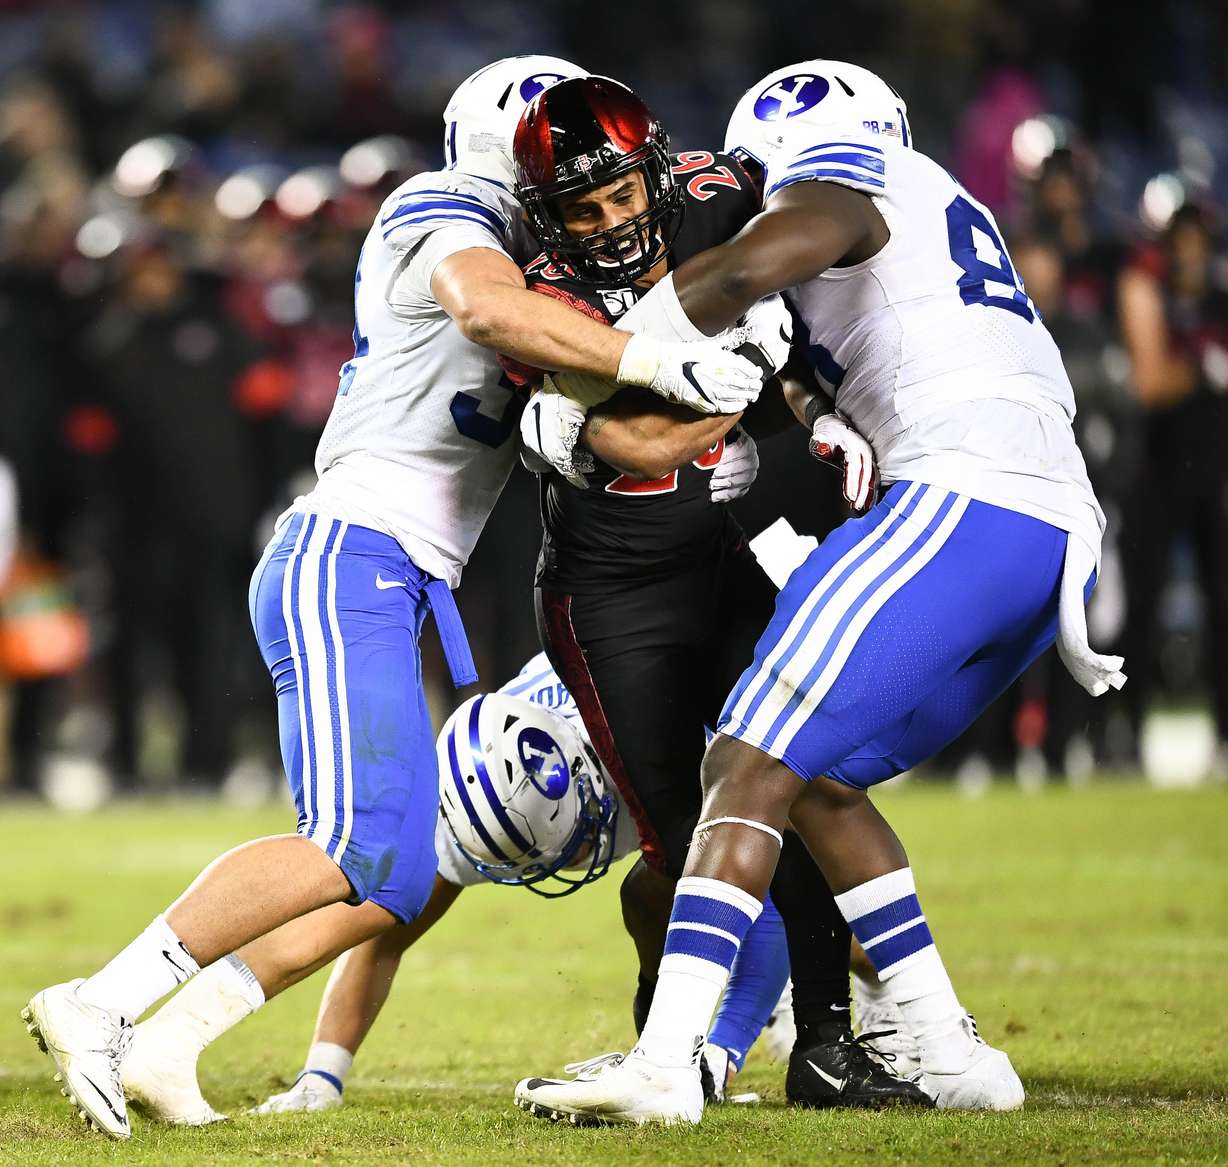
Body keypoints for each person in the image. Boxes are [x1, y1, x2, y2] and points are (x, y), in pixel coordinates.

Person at [21, 56, 770, 1141]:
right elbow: (485, 309)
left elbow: (608, 423)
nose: (567, 170)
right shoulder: (448, 210)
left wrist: (739, 385)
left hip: (388, 569)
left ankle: (169, 1040)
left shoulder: (543, 271)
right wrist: (658, 357)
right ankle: (102, 1006)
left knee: (391, 863)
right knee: (351, 844)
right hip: (351, 552)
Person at [515, 59, 1124, 1125]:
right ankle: (951, 1053)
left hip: (964, 493)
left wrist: (602, 364)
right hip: (1039, 519)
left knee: (742, 757)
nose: (750, 183)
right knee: (815, 777)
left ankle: (669, 1065)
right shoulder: (937, 204)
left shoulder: (848, 176)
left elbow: (750, 267)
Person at [509, 76, 922, 1110]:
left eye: (616, 198)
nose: (605, 225)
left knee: (787, 784)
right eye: (579, 210)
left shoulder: (716, 194)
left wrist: (816, 393)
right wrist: (735, 377)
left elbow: (831, 255)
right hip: (610, 591)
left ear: (654, 172)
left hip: (727, 551)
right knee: (671, 837)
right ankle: (666, 1038)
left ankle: (826, 1045)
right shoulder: (535, 287)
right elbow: (621, 440)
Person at [112, 655, 789, 1122]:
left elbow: (771, 905)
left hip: (748, 706)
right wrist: (323, 1075)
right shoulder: (489, 783)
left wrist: (724, 1054)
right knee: (386, 894)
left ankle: (859, 999)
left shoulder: (661, 747)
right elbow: (377, 934)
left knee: (690, 886)